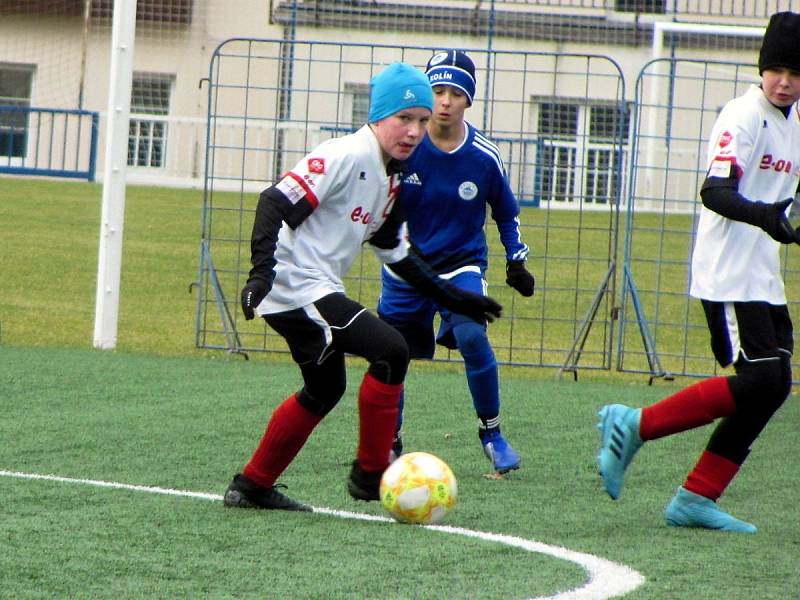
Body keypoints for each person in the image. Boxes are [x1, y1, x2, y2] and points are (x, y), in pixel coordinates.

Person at [223, 62, 503, 512]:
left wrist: (454, 296)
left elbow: (395, 249)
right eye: (404, 119)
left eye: (423, 121)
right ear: (379, 116)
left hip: (310, 288)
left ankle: (252, 486)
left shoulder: (392, 175)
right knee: (391, 350)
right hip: (294, 285)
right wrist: (261, 273)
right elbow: (272, 202)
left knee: (324, 388)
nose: (414, 131)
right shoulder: (347, 155)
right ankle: (370, 474)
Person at [596, 11, 800, 533]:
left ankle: (696, 497)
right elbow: (716, 192)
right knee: (760, 378)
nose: (783, 80)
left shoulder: (795, 122)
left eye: (795, 71)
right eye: (775, 68)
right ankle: (635, 424)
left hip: (762, 274)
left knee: (774, 385)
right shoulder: (742, 115)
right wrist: (768, 218)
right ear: (761, 69)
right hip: (728, 272)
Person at [377, 50, 535, 474]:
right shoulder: (404, 146)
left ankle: (492, 434)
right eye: (437, 90)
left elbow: (506, 212)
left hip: (461, 266)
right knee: (393, 355)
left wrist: (515, 261)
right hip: (404, 267)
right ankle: (388, 443)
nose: (445, 101)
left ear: (469, 100)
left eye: (455, 93)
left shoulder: (484, 156)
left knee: (472, 339)